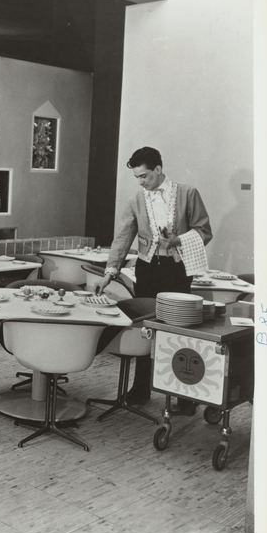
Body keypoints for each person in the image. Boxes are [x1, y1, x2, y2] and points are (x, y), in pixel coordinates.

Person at [96, 146, 212, 416]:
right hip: (147, 270)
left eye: (145, 175)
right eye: (137, 177)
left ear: (158, 169)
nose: (141, 181)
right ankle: (140, 389)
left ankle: (184, 395)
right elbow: (123, 238)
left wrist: (178, 240)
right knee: (146, 328)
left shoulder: (187, 193)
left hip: (177, 269)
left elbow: (204, 230)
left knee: (178, 331)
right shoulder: (136, 199)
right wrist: (110, 272)